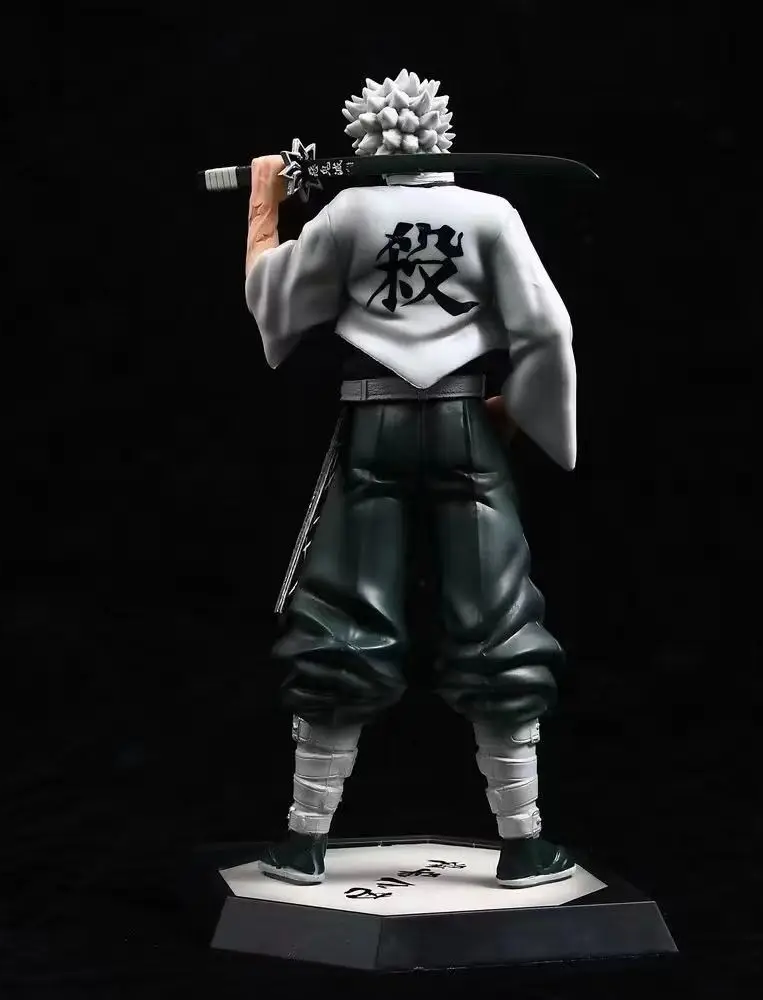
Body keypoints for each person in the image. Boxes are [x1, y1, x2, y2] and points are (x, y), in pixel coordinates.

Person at [245, 70, 577, 888]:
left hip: (375, 420)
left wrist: (263, 201)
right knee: (496, 617)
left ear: (365, 142)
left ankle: (305, 840)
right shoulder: (491, 215)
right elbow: (547, 330)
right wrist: (517, 412)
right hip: (463, 420)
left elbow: (276, 298)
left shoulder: (349, 211)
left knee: (343, 612)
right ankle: (524, 842)